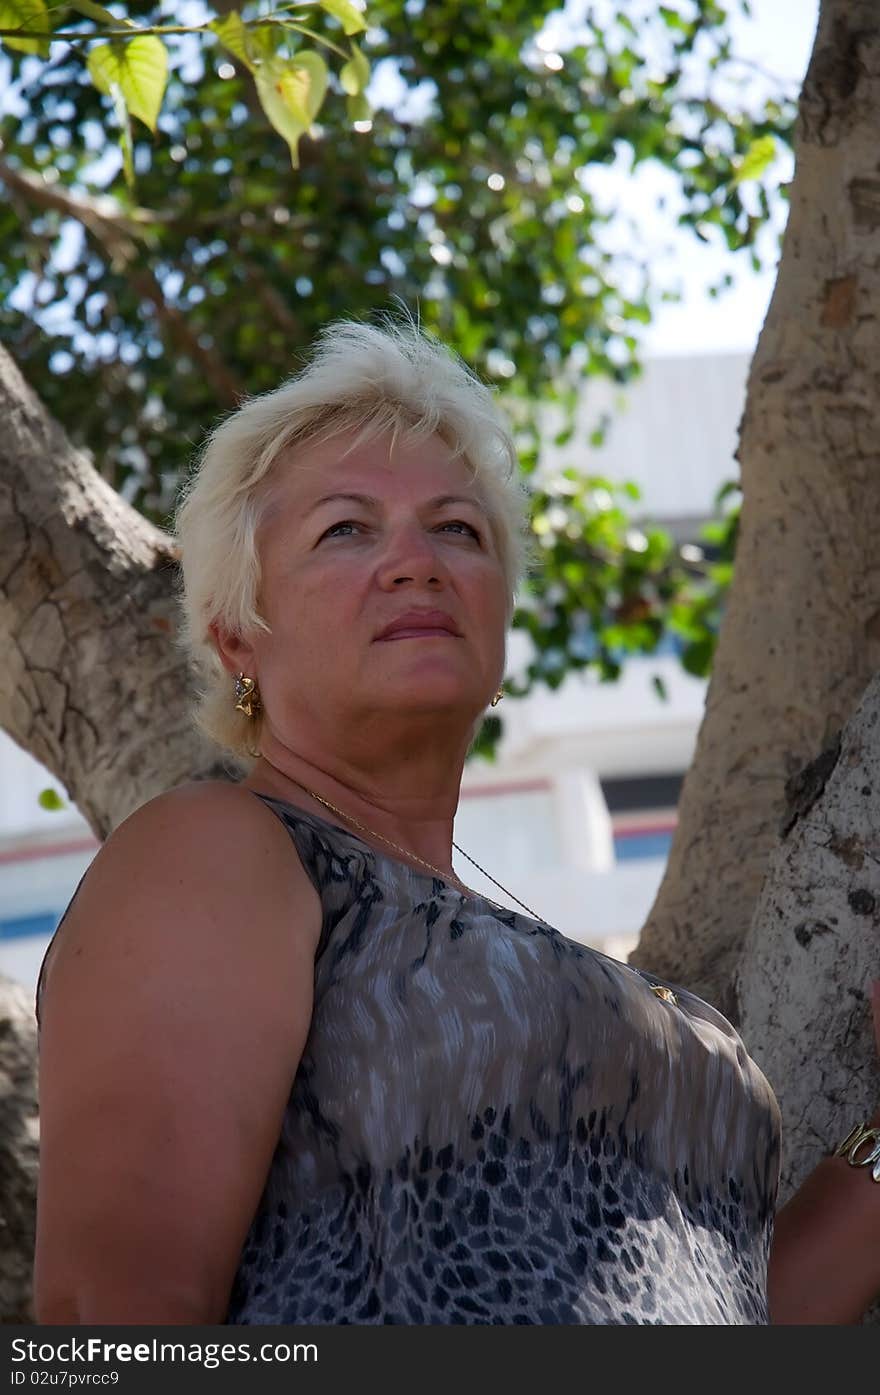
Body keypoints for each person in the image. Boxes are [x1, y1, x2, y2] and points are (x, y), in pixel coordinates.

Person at [31, 316, 880, 1325]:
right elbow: (118, 1314)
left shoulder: (516, 937)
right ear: (238, 637)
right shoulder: (217, 850)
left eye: (458, 530)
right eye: (345, 528)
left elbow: (742, 1315)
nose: (416, 563)